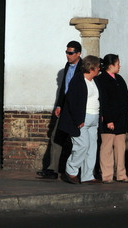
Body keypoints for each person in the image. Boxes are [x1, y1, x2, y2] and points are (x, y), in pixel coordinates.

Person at [36, 40, 83, 180]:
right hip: (64, 108)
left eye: (71, 53)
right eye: (66, 52)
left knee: (78, 140)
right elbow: (64, 88)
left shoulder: (83, 68)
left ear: (78, 54)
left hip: (76, 109)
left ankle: (78, 171)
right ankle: (52, 169)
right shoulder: (68, 66)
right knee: (56, 137)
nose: (68, 55)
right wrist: (59, 105)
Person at [58, 55, 101, 184]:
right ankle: (71, 170)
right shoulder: (78, 81)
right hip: (82, 118)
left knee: (92, 148)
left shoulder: (95, 81)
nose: (99, 69)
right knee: (82, 145)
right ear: (91, 68)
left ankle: (88, 175)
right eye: (98, 67)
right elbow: (72, 102)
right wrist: (78, 120)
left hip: (95, 117)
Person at [96, 53, 128, 183]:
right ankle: (107, 174)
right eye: (118, 64)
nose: (120, 66)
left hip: (121, 118)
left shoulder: (119, 79)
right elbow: (104, 101)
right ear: (110, 65)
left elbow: (126, 96)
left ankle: (121, 174)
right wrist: (108, 119)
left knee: (120, 148)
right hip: (110, 119)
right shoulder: (101, 80)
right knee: (107, 147)